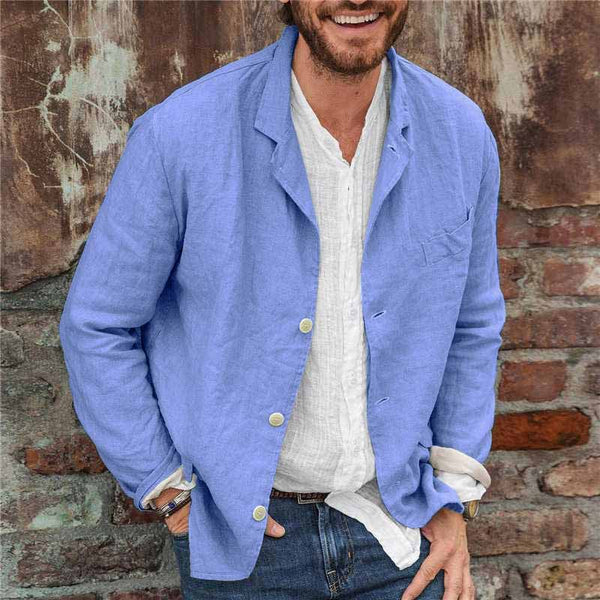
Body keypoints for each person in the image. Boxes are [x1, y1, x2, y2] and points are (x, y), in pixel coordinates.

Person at [59, 1, 505, 598]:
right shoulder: (182, 132)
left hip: (403, 534)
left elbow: (472, 324)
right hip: (246, 549)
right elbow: (98, 324)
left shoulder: (459, 132)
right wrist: (167, 490)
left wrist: (454, 496)